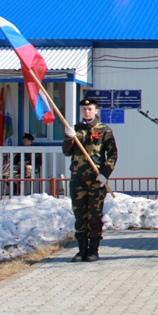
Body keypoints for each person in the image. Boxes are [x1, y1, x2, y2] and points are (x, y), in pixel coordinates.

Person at [62, 98, 118, 263]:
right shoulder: (76, 129)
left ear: (95, 111)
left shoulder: (104, 130)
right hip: (78, 179)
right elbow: (67, 152)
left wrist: (105, 173)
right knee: (80, 215)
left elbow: (113, 153)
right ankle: (81, 249)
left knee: (94, 215)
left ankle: (93, 250)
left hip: (96, 180)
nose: (86, 112)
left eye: (89, 109)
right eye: (84, 109)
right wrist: (68, 138)